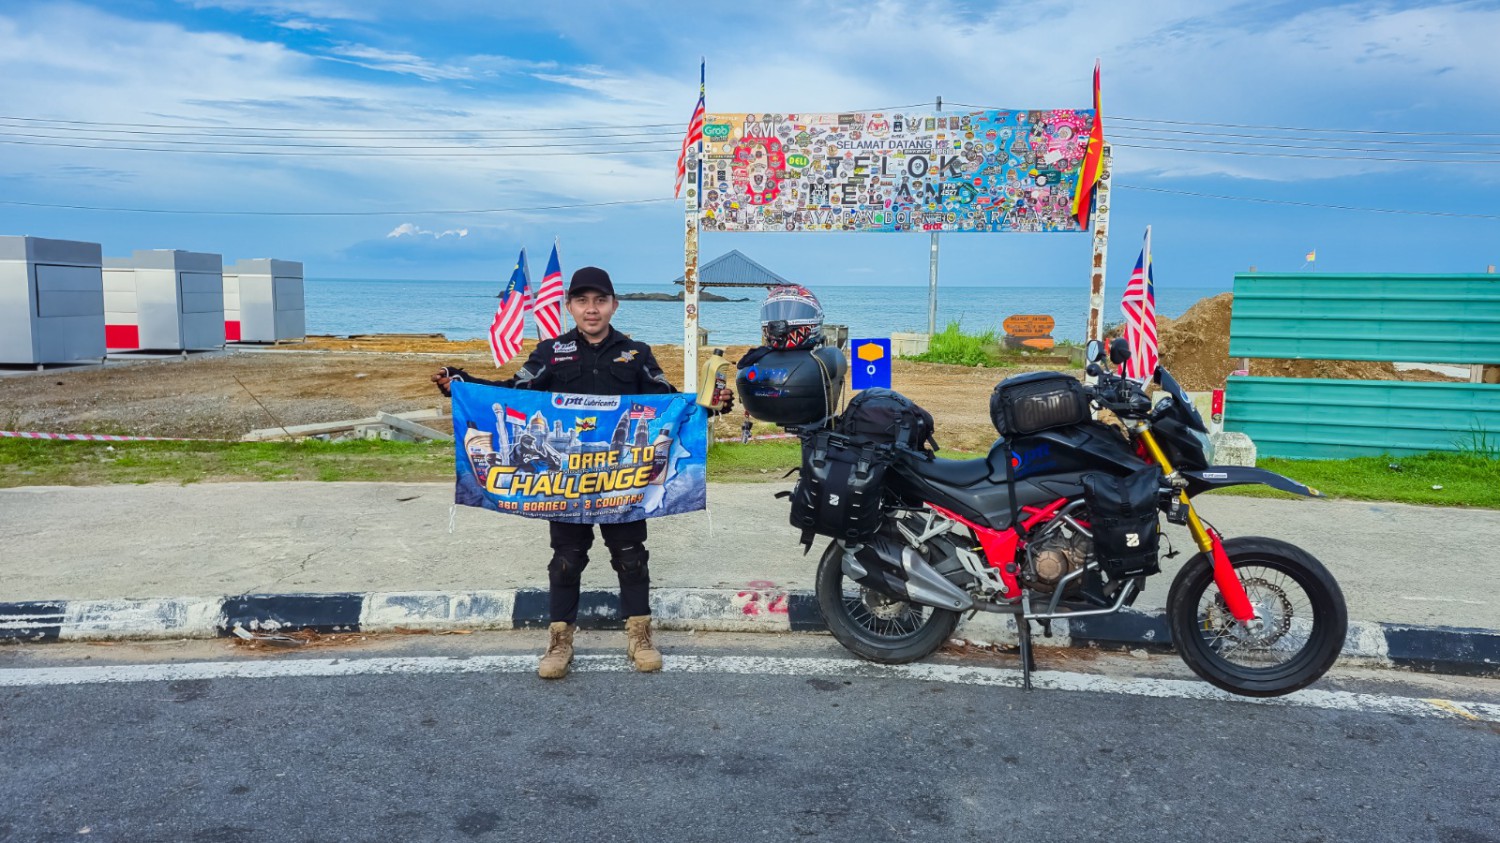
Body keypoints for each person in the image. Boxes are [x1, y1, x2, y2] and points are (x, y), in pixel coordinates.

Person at [432, 266, 675, 680]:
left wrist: (711, 403)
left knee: (631, 557)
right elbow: (514, 391)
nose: (592, 309)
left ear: (614, 305)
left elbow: (671, 400)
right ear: (570, 307)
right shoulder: (550, 353)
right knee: (566, 559)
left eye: (600, 300)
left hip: (622, 480)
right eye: (582, 301)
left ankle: (640, 635)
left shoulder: (637, 353)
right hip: (565, 480)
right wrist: (464, 383)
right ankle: (560, 641)